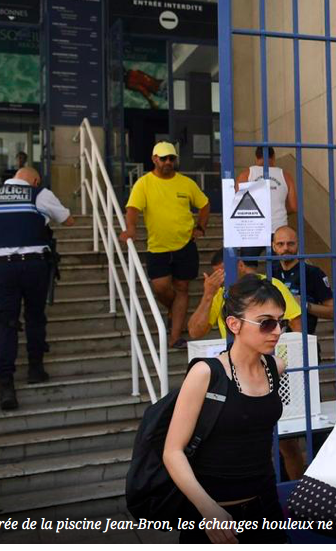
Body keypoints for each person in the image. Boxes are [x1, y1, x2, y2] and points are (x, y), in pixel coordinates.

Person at [164, 274, 289, 543]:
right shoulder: (205, 374)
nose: (277, 331)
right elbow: (173, 451)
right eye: (266, 323)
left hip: (265, 507)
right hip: (213, 513)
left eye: (281, 322)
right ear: (234, 324)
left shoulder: (275, 368)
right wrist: (207, 509)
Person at [0, 167, 75, 410]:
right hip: (33, 266)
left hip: (1, 269)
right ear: (35, 180)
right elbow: (69, 220)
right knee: (34, 317)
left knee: (4, 322)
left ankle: (6, 383)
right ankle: (35, 368)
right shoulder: (39, 194)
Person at [119, 142, 210, 349]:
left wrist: (201, 227)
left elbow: (204, 204)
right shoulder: (144, 183)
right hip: (158, 247)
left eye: (172, 158)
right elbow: (132, 208)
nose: (168, 162)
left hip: (185, 245)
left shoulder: (186, 183)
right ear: (154, 159)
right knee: (160, 288)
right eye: (164, 158)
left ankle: (175, 337)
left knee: (182, 288)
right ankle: (173, 309)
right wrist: (131, 229)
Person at [188, 248, 302, 340]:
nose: (221, 279)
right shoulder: (220, 292)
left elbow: (296, 323)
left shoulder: (272, 285)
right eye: (217, 275)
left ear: (241, 265)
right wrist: (208, 296)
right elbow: (195, 333)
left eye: (224, 273)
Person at [269, 225, 333, 335]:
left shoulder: (313, 273)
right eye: (280, 244)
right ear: (273, 247)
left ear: (298, 245)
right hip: (275, 343)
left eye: (290, 243)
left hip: (304, 341)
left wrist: (305, 305)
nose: (286, 248)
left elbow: (333, 312)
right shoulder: (270, 272)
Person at [237, 146, 297, 233]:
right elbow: (293, 207)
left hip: (253, 230)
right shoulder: (285, 176)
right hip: (279, 230)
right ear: (273, 157)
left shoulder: (245, 175)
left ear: (256, 157)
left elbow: (238, 205)